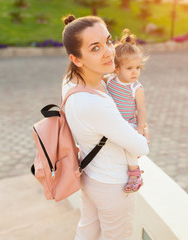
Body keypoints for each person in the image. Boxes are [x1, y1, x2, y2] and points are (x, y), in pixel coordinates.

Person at [61, 15, 149, 240]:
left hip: (89, 175)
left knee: (87, 230)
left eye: (108, 41)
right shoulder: (96, 103)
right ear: (77, 58)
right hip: (113, 185)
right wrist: (144, 131)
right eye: (95, 48)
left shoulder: (70, 82)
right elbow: (140, 147)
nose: (109, 52)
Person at [105, 29, 148, 193]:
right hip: (113, 122)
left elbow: (142, 109)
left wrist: (140, 128)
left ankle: (135, 173)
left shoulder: (136, 88)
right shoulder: (110, 80)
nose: (135, 72)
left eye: (138, 67)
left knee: (129, 145)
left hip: (129, 122)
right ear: (117, 68)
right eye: (129, 68)